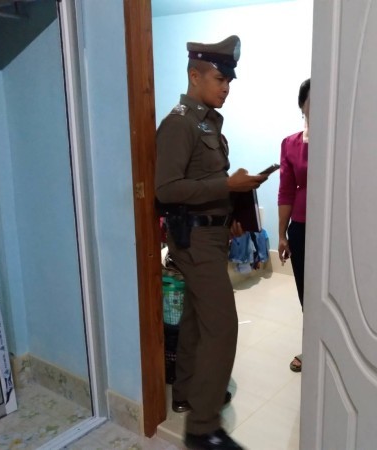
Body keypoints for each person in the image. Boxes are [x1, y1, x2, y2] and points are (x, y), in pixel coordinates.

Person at [155, 35, 266, 450]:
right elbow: (167, 189)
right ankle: (203, 429)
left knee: (195, 321)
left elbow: (204, 181)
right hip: (194, 240)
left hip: (213, 235)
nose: (226, 88)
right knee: (222, 327)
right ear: (194, 75)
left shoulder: (209, 123)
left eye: (229, 81)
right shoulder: (179, 123)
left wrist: (232, 209)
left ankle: (186, 392)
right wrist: (226, 185)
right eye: (220, 79)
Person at [278, 78, 310, 373]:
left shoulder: (340, 141)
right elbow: (286, 191)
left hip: (334, 232)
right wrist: (281, 234)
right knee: (307, 293)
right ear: (302, 106)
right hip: (301, 228)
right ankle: (311, 346)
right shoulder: (290, 144)